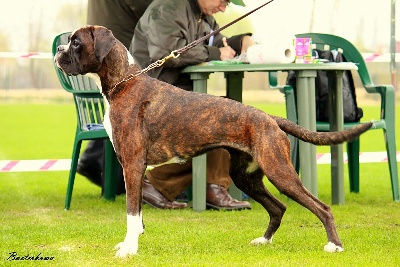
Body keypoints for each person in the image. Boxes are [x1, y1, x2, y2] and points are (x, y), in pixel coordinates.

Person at [130, 0, 255, 210]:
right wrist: (215, 54)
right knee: (222, 115)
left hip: (178, 97)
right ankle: (212, 188)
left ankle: (157, 183)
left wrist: (242, 41)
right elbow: (166, 52)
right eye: (223, 1)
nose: (224, 8)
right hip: (149, 101)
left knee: (231, 115)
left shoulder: (204, 16)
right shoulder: (169, 7)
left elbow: (218, 43)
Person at [77, 0, 154, 195]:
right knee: (127, 116)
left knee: (119, 114)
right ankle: (96, 162)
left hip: (102, 47)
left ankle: (93, 161)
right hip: (119, 50)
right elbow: (152, 10)